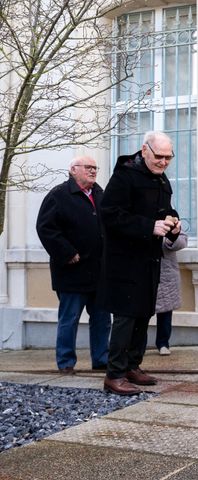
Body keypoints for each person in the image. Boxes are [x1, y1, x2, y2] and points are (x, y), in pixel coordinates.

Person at [100, 131, 181, 396]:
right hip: (124, 262)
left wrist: (173, 223)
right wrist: (149, 226)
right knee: (125, 317)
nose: (164, 162)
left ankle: (132, 365)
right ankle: (114, 375)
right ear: (144, 150)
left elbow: (163, 210)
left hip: (149, 259)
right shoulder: (124, 176)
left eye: (168, 157)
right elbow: (110, 215)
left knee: (144, 314)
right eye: (159, 156)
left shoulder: (160, 178)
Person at [36, 156, 111, 374]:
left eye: (95, 168)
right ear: (73, 169)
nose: (93, 171)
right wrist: (67, 253)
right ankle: (66, 362)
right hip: (72, 271)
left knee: (102, 320)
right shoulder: (58, 195)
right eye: (88, 167)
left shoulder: (99, 193)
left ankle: (101, 359)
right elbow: (45, 228)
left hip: (99, 272)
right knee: (69, 320)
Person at [155, 231, 188, 355]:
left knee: (166, 309)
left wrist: (170, 238)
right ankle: (137, 347)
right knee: (142, 313)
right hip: (145, 270)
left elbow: (182, 241)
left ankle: (163, 343)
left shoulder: (169, 217)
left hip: (166, 272)